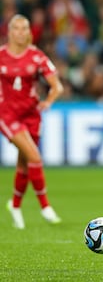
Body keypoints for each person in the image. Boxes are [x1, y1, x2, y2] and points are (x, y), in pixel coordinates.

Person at [0, 14, 63, 229]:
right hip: (6, 114)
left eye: (24, 28)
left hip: (31, 115)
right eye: (16, 28)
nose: (20, 32)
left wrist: (48, 101)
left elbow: (57, 86)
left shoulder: (36, 56)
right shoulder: (0, 56)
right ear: (9, 31)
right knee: (34, 156)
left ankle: (15, 205)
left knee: (24, 163)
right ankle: (45, 206)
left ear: (28, 32)